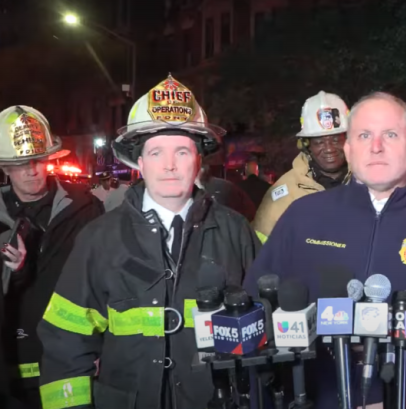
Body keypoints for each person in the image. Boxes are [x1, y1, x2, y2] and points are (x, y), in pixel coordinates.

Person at [244, 92, 406, 409]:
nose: (376, 147)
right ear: (349, 148)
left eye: (390, 134)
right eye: (364, 135)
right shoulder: (300, 216)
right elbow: (256, 310)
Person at [37, 74, 261, 409]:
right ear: (139, 162)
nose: (169, 165)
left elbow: (264, 334)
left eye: (182, 151)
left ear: (199, 160)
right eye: (156, 152)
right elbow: (64, 343)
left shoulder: (236, 231)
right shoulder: (99, 239)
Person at [0, 105, 105, 409]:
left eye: (38, 160)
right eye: (21, 164)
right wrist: (16, 271)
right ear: (5, 168)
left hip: (71, 359)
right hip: (11, 366)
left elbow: (101, 281)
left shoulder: (86, 208)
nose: (32, 170)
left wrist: (101, 348)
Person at [251, 91, 350, 242]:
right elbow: (260, 253)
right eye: (319, 142)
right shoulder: (284, 195)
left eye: (336, 139)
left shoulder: (373, 183)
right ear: (306, 145)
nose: (329, 148)